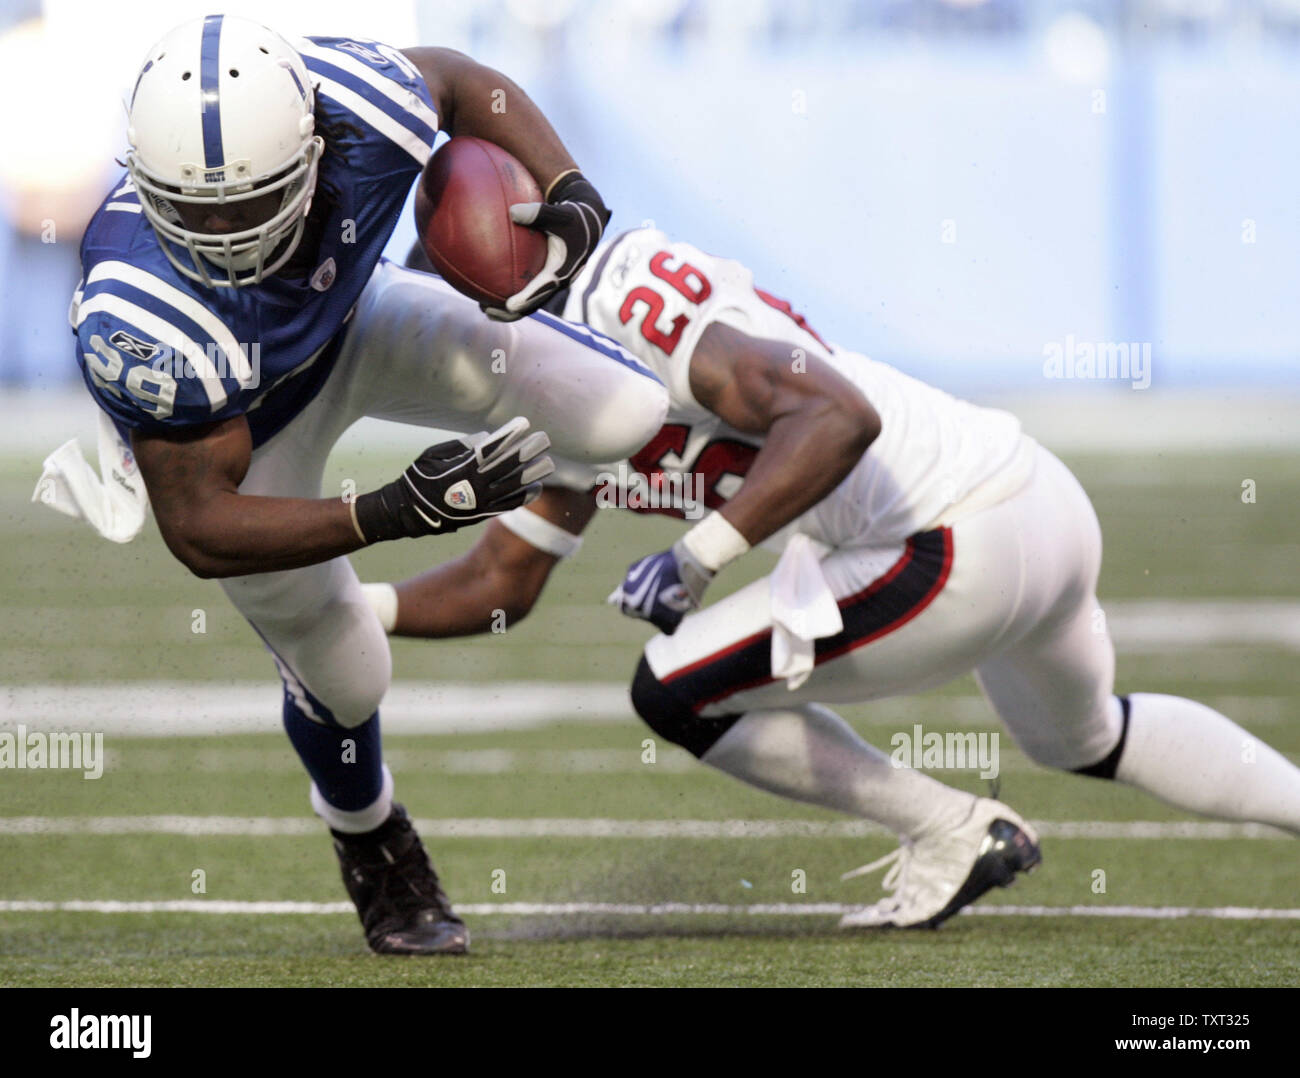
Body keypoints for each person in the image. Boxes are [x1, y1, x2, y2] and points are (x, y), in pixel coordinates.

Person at [376, 225, 1300, 928]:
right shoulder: (556, 403)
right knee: (1089, 737)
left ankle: (949, 827)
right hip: (1030, 499)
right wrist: (355, 610)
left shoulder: (630, 304)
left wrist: (698, 557)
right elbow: (501, 580)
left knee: (673, 692)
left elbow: (835, 416)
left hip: (953, 535)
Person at [53, 16, 669, 956]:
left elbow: (464, 83)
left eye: (248, 200)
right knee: (349, 676)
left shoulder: (361, 106)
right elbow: (200, 527)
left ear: (311, 147)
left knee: (628, 410)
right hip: (248, 434)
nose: (223, 231)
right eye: (197, 209)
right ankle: (371, 837)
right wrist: (390, 511)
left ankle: (516, 554)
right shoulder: (140, 313)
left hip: (358, 318)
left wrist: (569, 188)